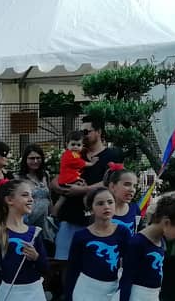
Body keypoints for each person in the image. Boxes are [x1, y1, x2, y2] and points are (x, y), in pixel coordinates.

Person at [53, 115, 124, 287]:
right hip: (70, 214)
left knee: (93, 259)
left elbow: (111, 182)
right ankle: (68, 297)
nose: (82, 135)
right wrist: (61, 188)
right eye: (81, 131)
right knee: (66, 260)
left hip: (96, 218)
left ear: (98, 132)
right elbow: (57, 177)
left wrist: (83, 190)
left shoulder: (112, 155)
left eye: (86, 131)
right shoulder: (76, 152)